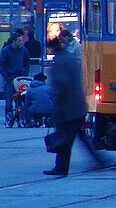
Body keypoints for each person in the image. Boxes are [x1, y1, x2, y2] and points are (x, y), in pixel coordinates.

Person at [43, 38, 107, 176]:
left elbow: (62, 85)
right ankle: (99, 160)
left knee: (64, 140)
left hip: (67, 109)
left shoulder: (60, 62)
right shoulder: (69, 58)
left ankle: (61, 167)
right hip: (77, 107)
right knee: (79, 138)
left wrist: (56, 106)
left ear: (51, 48)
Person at [2, 33, 30, 123]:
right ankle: (9, 118)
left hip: (21, 78)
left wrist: (25, 73)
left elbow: (27, 63)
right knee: (9, 99)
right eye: (19, 40)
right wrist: (6, 76)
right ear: (14, 41)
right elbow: (1, 64)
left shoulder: (24, 50)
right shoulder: (6, 51)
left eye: (21, 40)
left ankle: (21, 117)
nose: (22, 42)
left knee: (21, 98)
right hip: (10, 78)